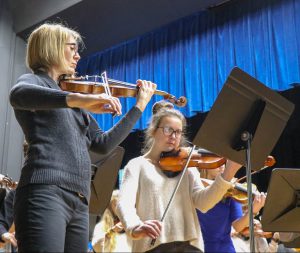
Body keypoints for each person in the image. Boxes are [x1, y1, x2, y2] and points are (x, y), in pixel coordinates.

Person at [9, 23, 156, 252]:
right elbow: (18, 95)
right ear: (52, 48)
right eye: (72, 48)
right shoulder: (36, 82)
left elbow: (103, 144)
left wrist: (138, 107)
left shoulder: (77, 105)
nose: (77, 56)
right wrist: (77, 99)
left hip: (79, 200)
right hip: (45, 191)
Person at [116, 107, 242, 253]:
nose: (174, 136)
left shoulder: (187, 166)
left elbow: (204, 203)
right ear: (153, 130)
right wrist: (135, 226)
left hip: (189, 247)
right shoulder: (136, 165)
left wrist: (227, 174)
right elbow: (124, 203)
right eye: (168, 130)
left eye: (178, 132)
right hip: (152, 247)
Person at [197, 165, 266, 252]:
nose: (222, 166)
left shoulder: (231, 192)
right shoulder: (196, 189)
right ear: (206, 164)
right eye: (217, 162)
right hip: (198, 248)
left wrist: (253, 210)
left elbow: (238, 226)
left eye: (223, 162)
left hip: (224, 249)